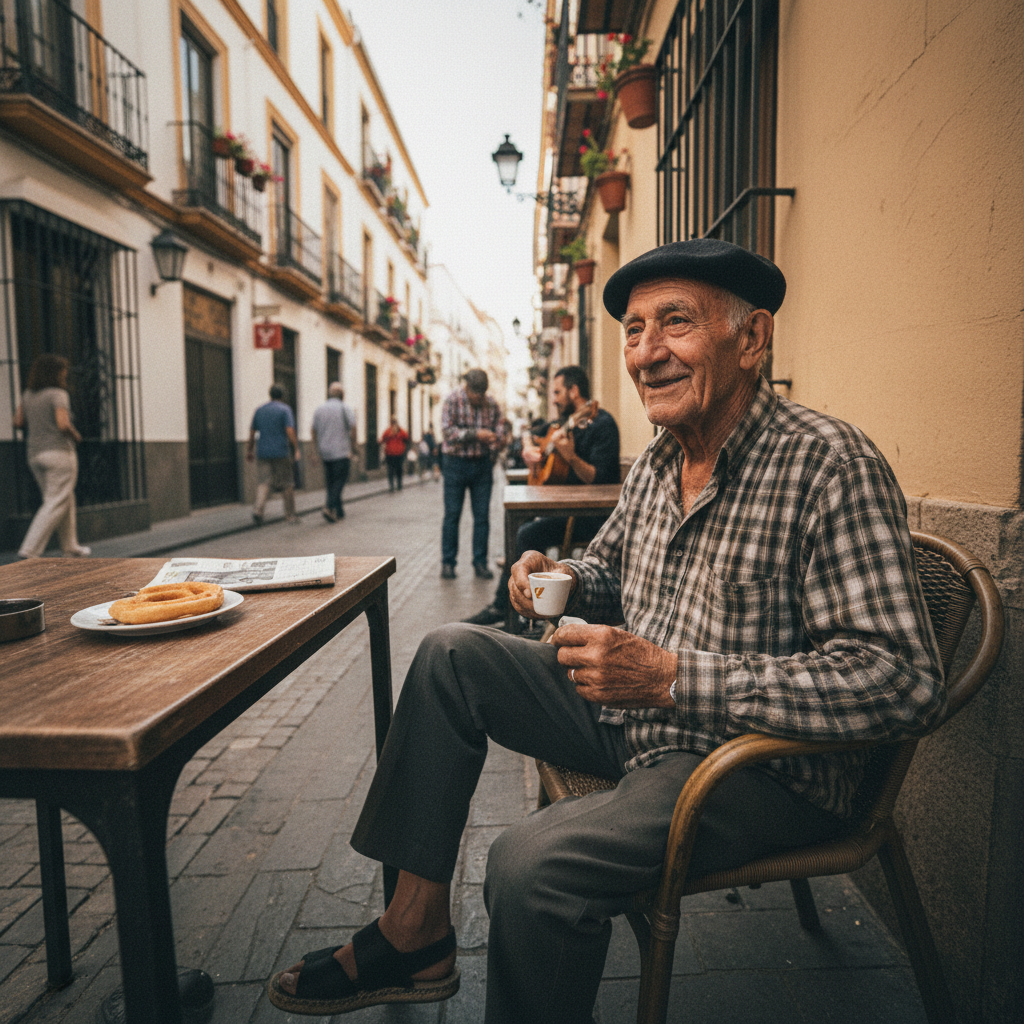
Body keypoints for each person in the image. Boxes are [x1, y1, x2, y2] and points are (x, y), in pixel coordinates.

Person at [266, 239, 946, 1023]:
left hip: (749, 766)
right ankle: (415, 932)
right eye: (633, 329)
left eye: (677, 323)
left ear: (752, 339)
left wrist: (671, 678)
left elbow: (902, 680)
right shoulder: (664, 456)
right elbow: (608, 568)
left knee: (528, 863)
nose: (647, 353)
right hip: (637, 718)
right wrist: (550, 576)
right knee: (449, 652)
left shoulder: (830, 464)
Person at [465, 365, 620, 627]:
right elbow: (530, 433)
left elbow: (600, 480)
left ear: (574, 391)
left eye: (558, 392)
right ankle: (512, 603)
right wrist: (528, 449)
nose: (554, 399)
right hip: (562, 509)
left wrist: (570, 457)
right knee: (520, 525)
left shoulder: (601, 424)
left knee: (526, 533)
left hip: (590, 516)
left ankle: (509, 610)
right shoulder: (562, 423)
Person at [13, 353, 90, 558]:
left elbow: (18, 422)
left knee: (64, 497)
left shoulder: (28, 394)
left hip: (35, 454)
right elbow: (63, 424)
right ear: (55, 373)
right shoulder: (58, 394)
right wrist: (76, 435)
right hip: (58, 453)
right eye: (63, 371)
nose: (65, 375)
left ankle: (70, 545)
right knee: (55, 500)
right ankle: (29, 549)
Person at [438, 368, 507, 580]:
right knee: (452, 515)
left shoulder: (492, 404)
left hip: (482, 465)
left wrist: (499, 439)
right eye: (476, 393)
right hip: (455, 464)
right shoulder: (452, 400)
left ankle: (480, 563)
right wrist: (476, 434)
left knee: (482, 517)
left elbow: (502, 428)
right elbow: (448, 432)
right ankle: (448, 563)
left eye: (482, 394)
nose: (479, 398)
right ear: (466, 387)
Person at [247, 385, 300, 525]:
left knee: (264, 482)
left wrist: (249, 450)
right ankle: (290, 515)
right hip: (281, 451)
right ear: (282, 396)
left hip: (263, 452)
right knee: (287, 483)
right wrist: (296, 448)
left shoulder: (259, 410)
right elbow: (289, 430)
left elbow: (252, 432)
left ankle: (258, 510)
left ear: (270, 395)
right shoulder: (285, 409)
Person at [311, 383, 357, 522]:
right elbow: (353, 429)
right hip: (341, 451)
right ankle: (329, 506)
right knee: (340, 480)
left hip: (325, 452)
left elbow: (313, 430)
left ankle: (339, 512)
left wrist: (315, 449)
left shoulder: (320, 409)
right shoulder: (345, 408)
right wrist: (354, 447)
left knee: (331, 481)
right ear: (342, 394)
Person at [380, 417, 410, 491]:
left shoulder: (399, 431)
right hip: (392, 454)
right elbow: (383, 439)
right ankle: (393, 485)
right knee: (393, 470)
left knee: (396, 470)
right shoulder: (388, 431)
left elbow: (406, 437)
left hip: (396, 454)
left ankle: (397, 485)